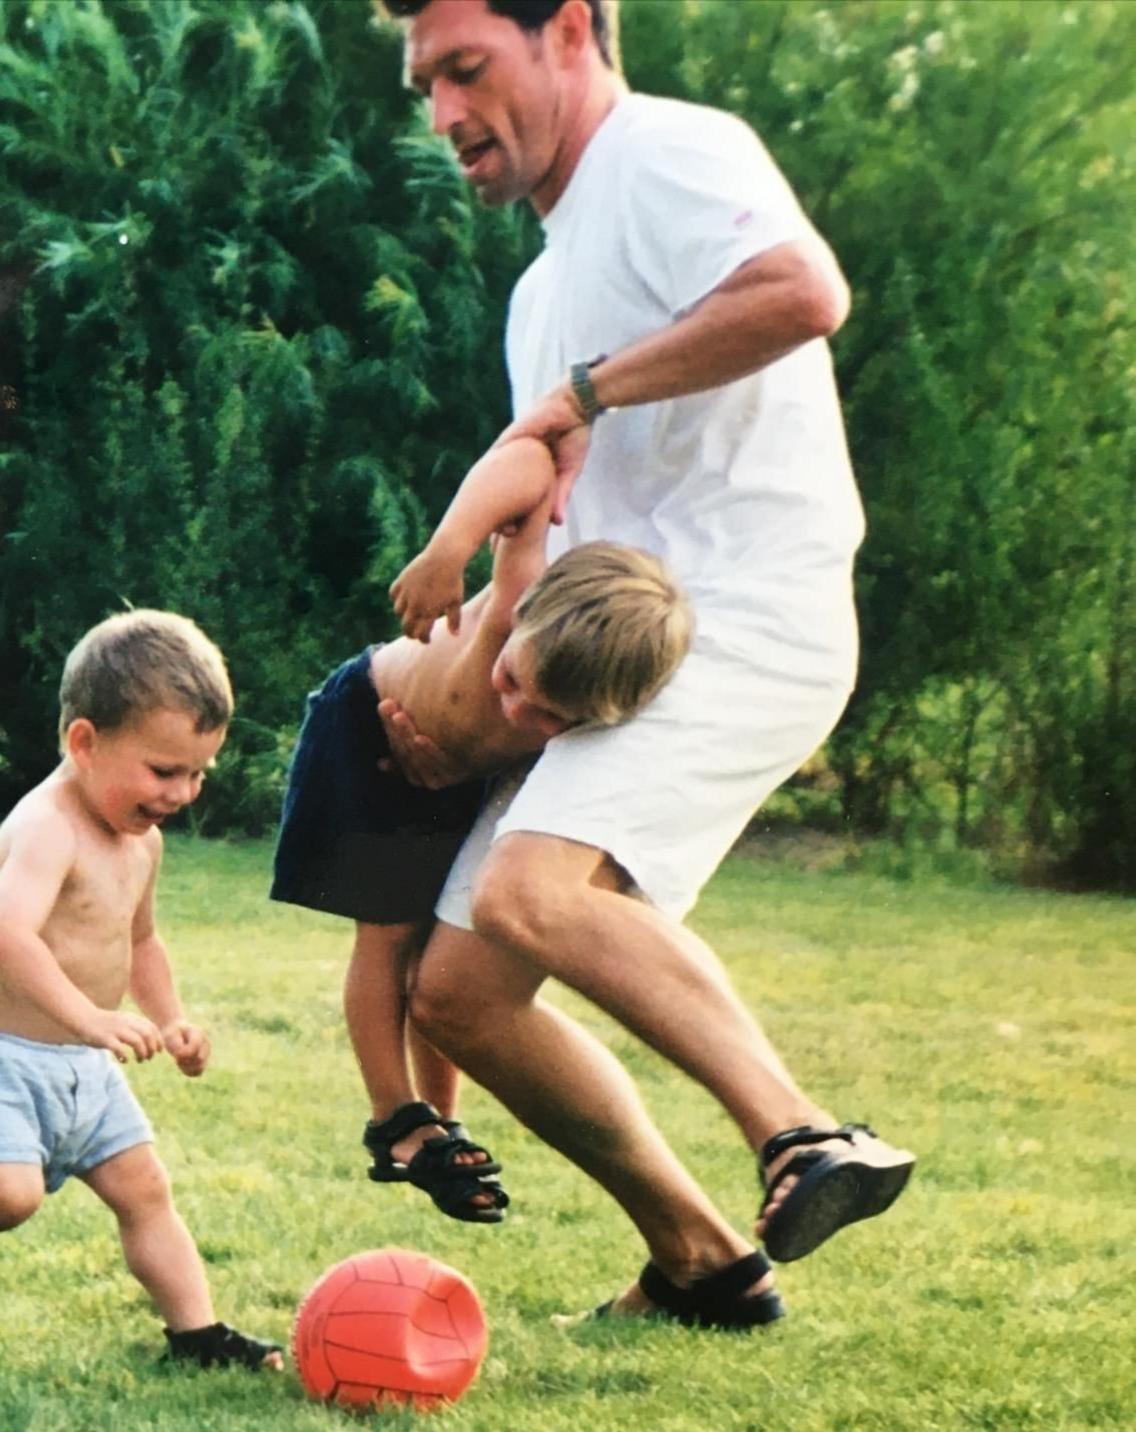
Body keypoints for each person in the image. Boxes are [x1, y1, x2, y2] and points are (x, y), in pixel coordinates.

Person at [371, 0, 914, 1329]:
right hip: (627, 650)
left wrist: (585, 392)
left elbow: (803, 292)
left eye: (465, 69)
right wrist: (470, 690)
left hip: (745, 615)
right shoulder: (542, 290)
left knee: (532, 889)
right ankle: (703, 1264)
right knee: (458, 993)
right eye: (424, 86)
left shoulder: (666, 151)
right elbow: (562, 532)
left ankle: (802, 1137)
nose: (443, 115)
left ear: (566, 30)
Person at [272, 434, 691, 1225]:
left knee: (443, 944)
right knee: (388, 939)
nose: (520, 713)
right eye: (513, 682)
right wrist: (446, 549)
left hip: (456, 778)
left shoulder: (604, 707)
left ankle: (440, 1118)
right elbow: (531, 456)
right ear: (520, 618)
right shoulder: (517, 592)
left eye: (550, 719)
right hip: (369, 731)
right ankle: (394, 1118)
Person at [0, 610, 282, 1371]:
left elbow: (139, 941)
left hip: (84, 1065)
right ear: (84, 743)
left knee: (146, 1191)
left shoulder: (141, 839)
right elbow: (7, 937)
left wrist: (170, 1018)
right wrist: (89, 1016)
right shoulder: (47, 826)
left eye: (198, 773)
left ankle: (196, 1335)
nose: (182, 793)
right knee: (7, 1197)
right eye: (163, 770)